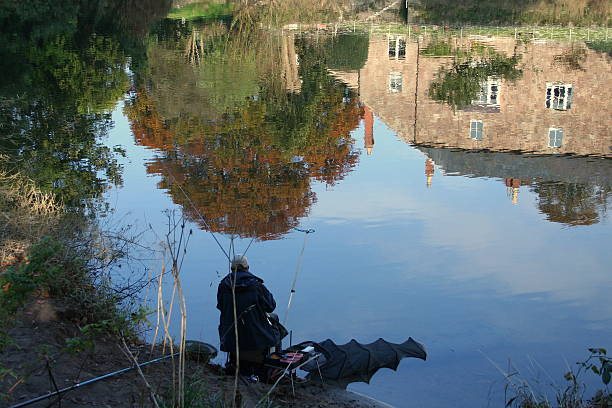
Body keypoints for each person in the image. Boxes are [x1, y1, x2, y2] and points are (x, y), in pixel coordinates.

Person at [217, 254, 283, 377]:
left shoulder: (223, 285)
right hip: (256, 336)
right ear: (247, 268)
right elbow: (271, 306)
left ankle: (235, 362)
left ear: (231, 269)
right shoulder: (256, 286)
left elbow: (221, 307)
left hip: (230, 336)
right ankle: (273, 366)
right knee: (275, 321)